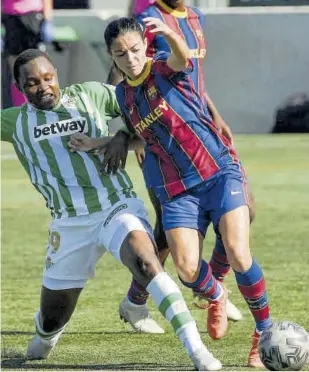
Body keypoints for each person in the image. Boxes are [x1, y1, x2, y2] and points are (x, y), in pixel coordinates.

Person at [0, 48, 222, 371]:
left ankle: (198, 352)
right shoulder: (14, 122)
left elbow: (144, 108)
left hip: (115, 206)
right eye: (32, 83)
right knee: (49, 324)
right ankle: (45, 337)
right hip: (69, 224)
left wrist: (122, 136)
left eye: (49, 78)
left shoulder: (90, 95)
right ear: (20, 89)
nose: (44, 86)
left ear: (57, 75)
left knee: (146, 264)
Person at [101, 16, 271, 368]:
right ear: (112, 56)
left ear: (144, 46)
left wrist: (170, 35)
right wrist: (104, 141)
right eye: (121, 54)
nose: (130, 58)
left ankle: (264, 334)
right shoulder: (123, 93)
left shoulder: (163, 67)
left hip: (218, 172)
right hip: (177, 190)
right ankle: (217, 294)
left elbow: (184, 60)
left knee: (240, 254)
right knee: (187, 269)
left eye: (135, 50)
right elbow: (142, 136)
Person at [110, 0, 246, 333]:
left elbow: (187, 72)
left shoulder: (195, 17)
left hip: (198, 127)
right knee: (167, 231)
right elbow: (124, 70)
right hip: (161, 141)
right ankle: (141, 299)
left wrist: (213, 113)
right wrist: (126, 131)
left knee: (243, 211)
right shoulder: (149, 19)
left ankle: (212, 289)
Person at [2, 0, 54, 107]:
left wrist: (48, 19)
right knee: (16, 71)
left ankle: (43, 106)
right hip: (11, 19)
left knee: (38, 68)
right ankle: (21, 107)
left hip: (33, 18)